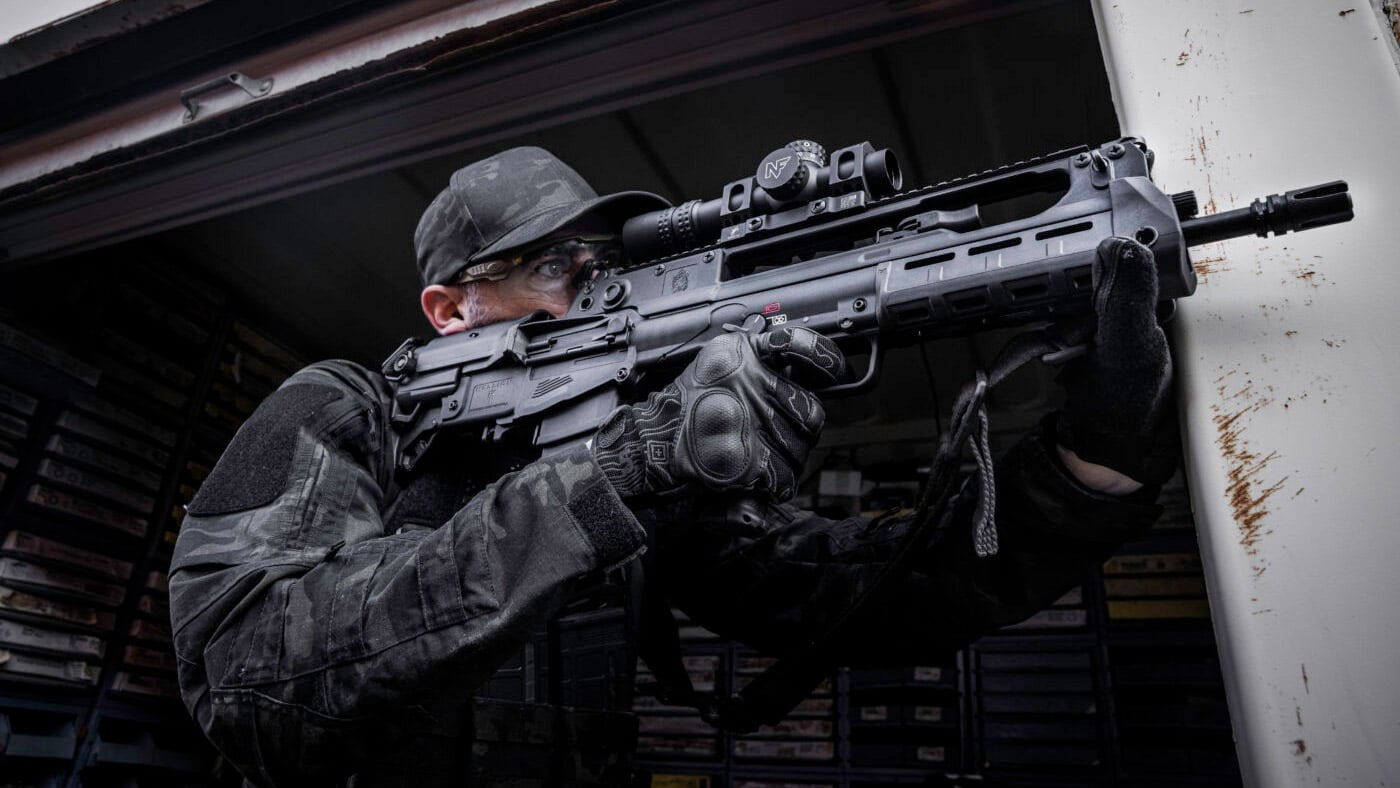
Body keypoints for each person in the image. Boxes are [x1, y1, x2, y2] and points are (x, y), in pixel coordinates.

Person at [170, 147, 1176, 786]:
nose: (601, 294)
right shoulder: (351, 409)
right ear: (448, 309)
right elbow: (251, 681)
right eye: (560, 268)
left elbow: (850, 594)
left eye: (615, 270)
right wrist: (617, 468)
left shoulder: (626, 445)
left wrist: (1093, 459)